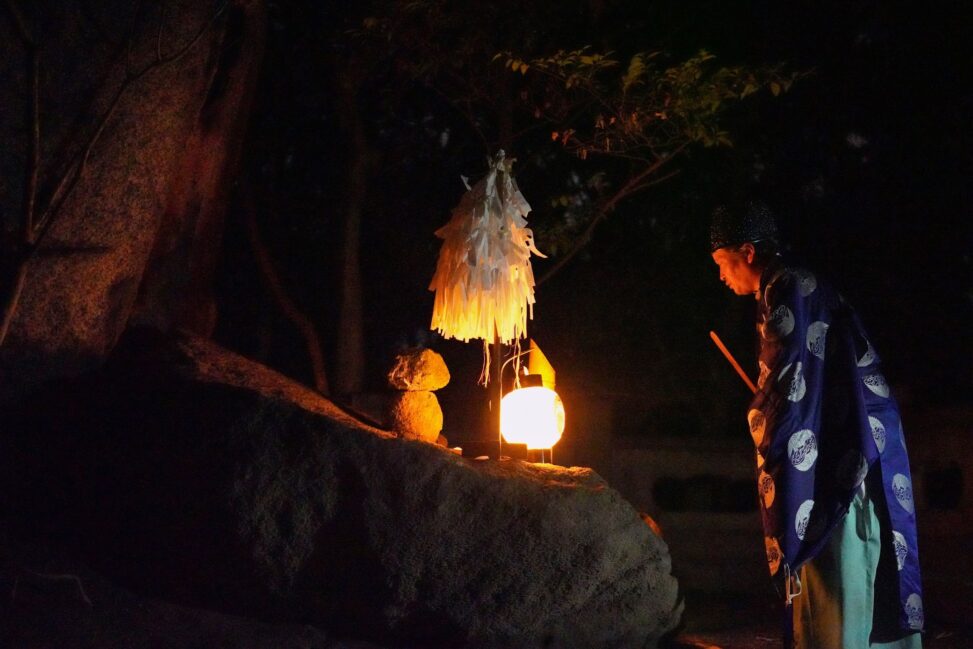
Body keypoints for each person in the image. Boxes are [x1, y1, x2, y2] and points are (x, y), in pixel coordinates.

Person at [710, 201, 924, 649]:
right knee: (864, 580)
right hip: (854, 447)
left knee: (840, 585)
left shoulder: (788, 288)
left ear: (747, 252)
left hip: (840, 467)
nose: (722, 276)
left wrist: (759, 416)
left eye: (723, 263)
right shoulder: (794, 286)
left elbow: (789, 393)